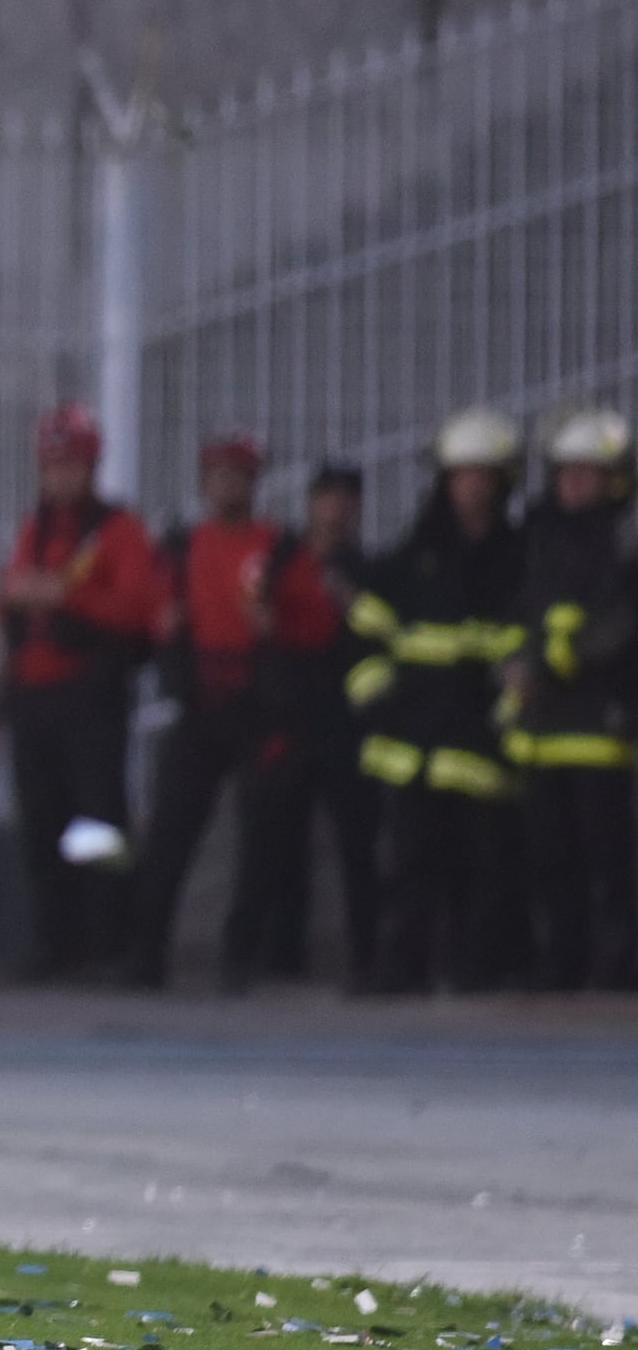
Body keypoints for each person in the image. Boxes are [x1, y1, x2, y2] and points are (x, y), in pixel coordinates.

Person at [127, 432, 326, 991]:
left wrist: (273, 625)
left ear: (253, 482)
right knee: (169, 834)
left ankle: (244, 955)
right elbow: (153, 614)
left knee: (263, 838)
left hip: (261, 710)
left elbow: (317, 625)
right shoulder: (183, 547)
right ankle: (146, 954)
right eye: (216, 475)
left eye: (236, 475)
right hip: (200, 708)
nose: (225, 485)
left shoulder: (282, 548)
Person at [352, 409, 533, 995]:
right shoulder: (411, 557)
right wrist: (381, 702)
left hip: (479, 740)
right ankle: (398, 970)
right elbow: (365, 636)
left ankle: (474, 970)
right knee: (406, 865)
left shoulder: (518, 559)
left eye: (483, 476)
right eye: (462, 476)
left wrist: (506, 716)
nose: (472, 487)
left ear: (502, 483)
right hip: (410, 743)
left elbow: (524, 647)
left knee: (484, 866)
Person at [0, 406, 160, 980]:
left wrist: (63, 597)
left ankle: (109, 941)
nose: (61, 477)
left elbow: (137, 609)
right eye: (52, 465)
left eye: (72, 465)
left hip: (90, 695)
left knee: (97, 821)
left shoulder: (119, 531)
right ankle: (52, 943)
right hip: (35, 697)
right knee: (42, 823)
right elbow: (11, 597)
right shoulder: (35, 529)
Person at [503, 404, 629, 992]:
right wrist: (515, 668)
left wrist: (550, 663)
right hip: (541, 728)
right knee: (549, 858)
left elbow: (616, 627)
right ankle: (562, 963)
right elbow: (523, 612)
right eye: (565, 472)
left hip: (601, 729)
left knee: (608, 858)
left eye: (586, 473)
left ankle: (615, 965)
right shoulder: (539, 536)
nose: (573, 483)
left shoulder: (622, 542)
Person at [274, 461, 384, 982]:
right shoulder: (286, 564)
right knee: (284, 846)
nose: (336, 509)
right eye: (327, 498)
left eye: (346, 499)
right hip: (294, 720)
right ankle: (283, 956)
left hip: (349, 724)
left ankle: (368, 954)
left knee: (357, 844)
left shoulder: (369, 571)